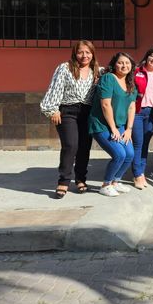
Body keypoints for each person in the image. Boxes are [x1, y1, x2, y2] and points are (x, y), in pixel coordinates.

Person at [40, 40, 100, 199]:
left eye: (88, 52)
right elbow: (55, 88)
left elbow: (121, 70)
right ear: (75, 53)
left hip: (87, 113)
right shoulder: (65, 68)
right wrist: (53, 109)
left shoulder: (98, 71)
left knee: (84, 147)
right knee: (70, 145)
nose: (84, 55)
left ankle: (80, 179)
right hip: (68, 111)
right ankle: (64, 180)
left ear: (92, 54)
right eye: (80, 52)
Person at [88, 52, 138, 197]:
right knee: (119, 154)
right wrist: (113, 128)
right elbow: (105, 104)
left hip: (120, 125)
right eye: (120, 62)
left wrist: (129, 129)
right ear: (114, 64)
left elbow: (132, 107)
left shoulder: (130, 83)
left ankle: (116, 182)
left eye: (127, 63)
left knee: (130, 154)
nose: (124, 65)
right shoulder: (108, 78)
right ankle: (106, 185)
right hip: (102, 124)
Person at [131, 47, 153, 190]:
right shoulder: (136, 72)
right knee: (138, 143)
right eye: (152, 56)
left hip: (151, 113)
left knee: (145, 143)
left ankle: (141, 172)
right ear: (147, 56)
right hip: (137, 112)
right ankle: (137, 174)